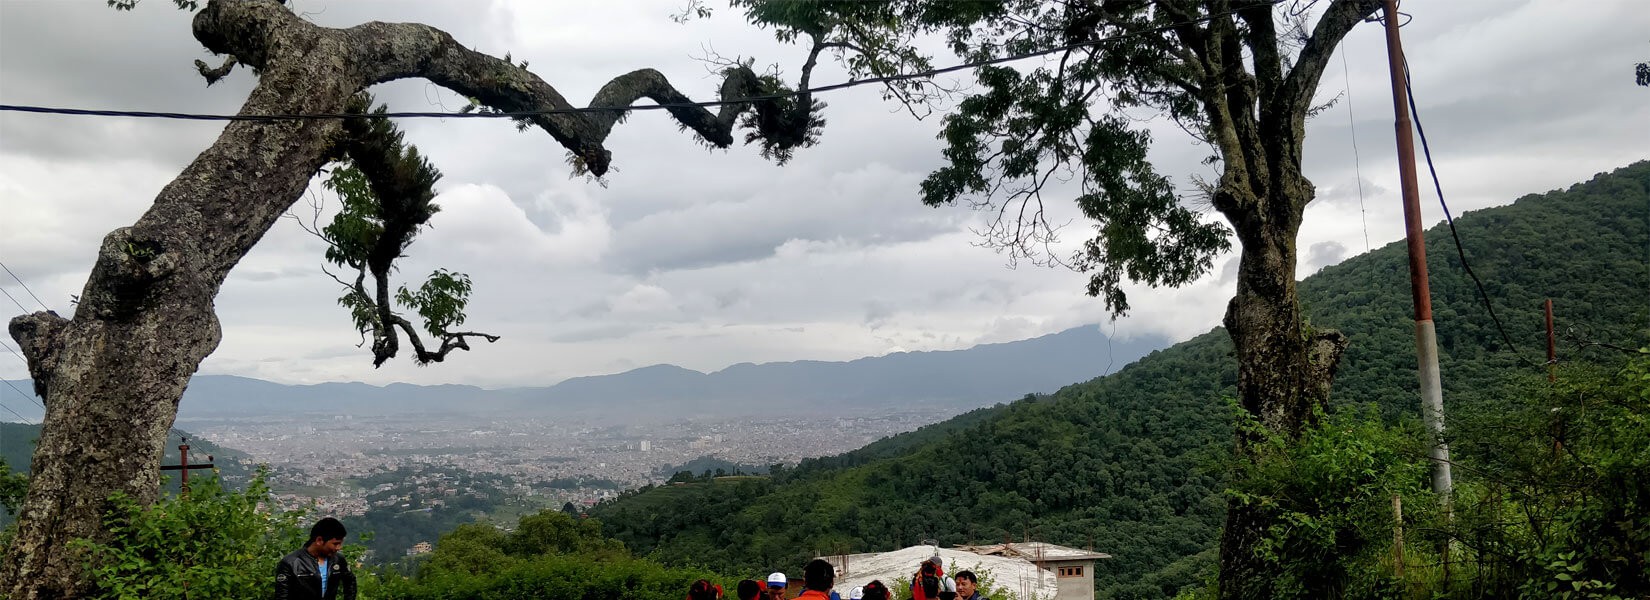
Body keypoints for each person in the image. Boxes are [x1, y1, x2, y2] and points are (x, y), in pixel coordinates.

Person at [275, 517, 356, 600]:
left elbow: (350, 582)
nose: (338, 548)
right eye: (335, 544)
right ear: (319, 540)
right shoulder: (291, 563)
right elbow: (281, 596)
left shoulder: (338, 560)